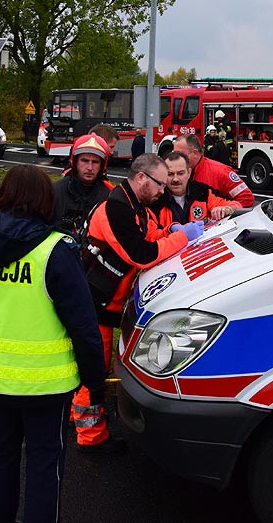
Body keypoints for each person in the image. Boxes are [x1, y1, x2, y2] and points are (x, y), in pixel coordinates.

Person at [0, 164, 106, 523]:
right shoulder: (55, 249)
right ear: (46, 202)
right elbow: (84, 327)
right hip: (45, 385)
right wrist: (96, 382)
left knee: (0, 454)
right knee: (45, 465)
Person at [73, 153, 204, 453]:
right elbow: (140, 254)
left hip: (106, 303)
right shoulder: (116, 209)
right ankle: (90, 438)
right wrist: (182, 238)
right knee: (93, 373)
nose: (163, 190)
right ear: (142, 178)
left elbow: (146, 235)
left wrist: (169, 231)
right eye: (159, 184)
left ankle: (78, 419)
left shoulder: (133, 204)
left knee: (91, 368)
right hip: (97, 304)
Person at [151, 151, 242, 226]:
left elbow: (237, 205)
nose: (175, 179)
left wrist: (227, 209)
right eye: (170, 174)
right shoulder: (156, 200)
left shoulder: (202, 192)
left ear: (189, 173)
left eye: (180, 173)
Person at [53, 133, 112, 238]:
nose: (89, 167)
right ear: (75, 162)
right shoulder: (55, 192)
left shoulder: (109, 198)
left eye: (95, 162)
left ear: (102, 166)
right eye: (84, 161)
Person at [173, 134, 255, 207]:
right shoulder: (173, 173)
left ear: (195, 153)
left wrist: (228, 208)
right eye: (174, 153)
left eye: (180, 154)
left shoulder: (220, 172)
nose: (175, 158)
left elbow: (246, 198)